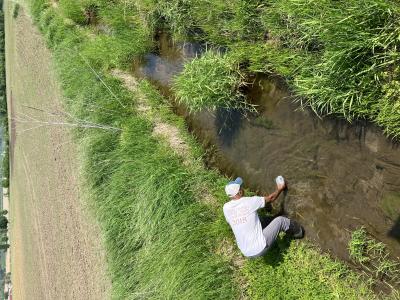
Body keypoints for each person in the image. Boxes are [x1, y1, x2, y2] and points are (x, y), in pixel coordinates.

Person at [223, 177, 303, 258]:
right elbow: (271, 198)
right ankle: (299, 232)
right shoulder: (248, 202)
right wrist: (280, 189)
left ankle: (274, 223)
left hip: (246, 252)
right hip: (259, 248)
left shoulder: (226, 208)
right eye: (241, 187)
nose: (243, 189)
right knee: (280, 221)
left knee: (261, 220)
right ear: (240, 192)